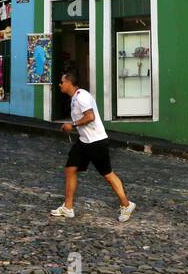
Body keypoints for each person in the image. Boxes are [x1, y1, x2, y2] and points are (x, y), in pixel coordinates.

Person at [51, 72, 135, 222]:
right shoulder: (74, 98)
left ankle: (126, 204)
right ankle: (68, 208)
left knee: (108, 174)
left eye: (61, 82)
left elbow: (90, 116)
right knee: (70, 169)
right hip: (84, 141)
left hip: (97, 142)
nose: (60, 85)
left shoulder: (82, 96)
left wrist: (73, 125)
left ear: (69, 82)